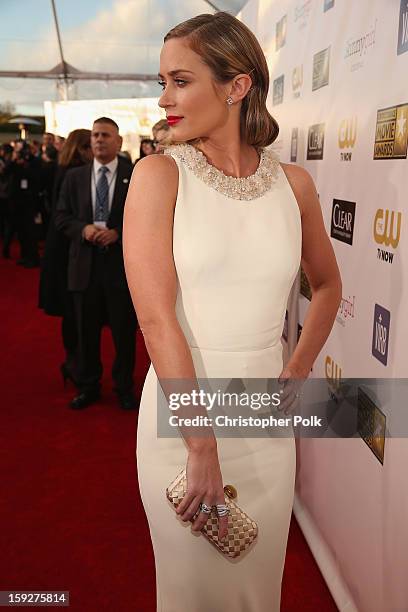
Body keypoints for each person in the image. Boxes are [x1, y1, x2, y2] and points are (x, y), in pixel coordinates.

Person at [123, 12, 342, 611]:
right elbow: (157, 320)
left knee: (255, 591)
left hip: (262, 423)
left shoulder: (293, 186)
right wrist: (200, 445)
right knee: (193, 592)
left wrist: (295, 371)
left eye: (181, 80)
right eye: (161, 81)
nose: (165, 98)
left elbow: (326, 287)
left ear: (237, 85)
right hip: (183, 420)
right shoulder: (157, 176)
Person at [55, 117, 138, 410]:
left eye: (105, 135)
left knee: (123, 334)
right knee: (85, 332)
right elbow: (61, 217)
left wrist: (118, 232)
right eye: (95, 135)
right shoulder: (74, 177)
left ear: (119, 142)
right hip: (84, 269)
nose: (99, 140)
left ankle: (124, 387)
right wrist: (84, 229)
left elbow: (145, 220)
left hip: (120, 270)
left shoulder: (135, 174)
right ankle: (88, 385)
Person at [39, 129, 93, 386]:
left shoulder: (65, 169)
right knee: (73, 314)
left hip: (63, 249)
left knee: (74, 314)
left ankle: (74, 364)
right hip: (66, 251)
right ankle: (74, 365)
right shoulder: (73, 173)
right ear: (83, 148)